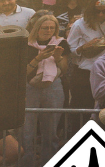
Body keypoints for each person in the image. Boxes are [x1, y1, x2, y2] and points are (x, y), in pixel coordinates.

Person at [21, 14, 66, 161]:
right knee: (27, 129)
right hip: (30, 87)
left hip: (53, 86)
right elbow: (22, 73)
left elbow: (65, 70)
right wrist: (38, 58)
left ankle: (49, 161)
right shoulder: (26, 44)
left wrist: (58, 57)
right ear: (37, 28)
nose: (48, 30)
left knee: (51, 129)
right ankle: (27, 161)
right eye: (45, 27)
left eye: (52, 28)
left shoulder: (61, 42)